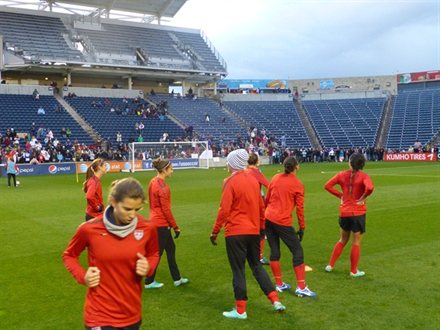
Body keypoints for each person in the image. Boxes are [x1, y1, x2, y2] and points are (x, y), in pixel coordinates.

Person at [63, 178, 160, 330]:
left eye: (137, 209)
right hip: (99, 316)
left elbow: (154, 253)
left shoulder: (147, 228)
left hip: (132, 314)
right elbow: (69, 255)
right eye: (127, 209)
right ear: (114, 202)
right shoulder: (89, 229)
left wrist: (149, 267)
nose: (132, 215)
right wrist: (83, 276)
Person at [210, 149, 286, 320]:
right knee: (257, 267)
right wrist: (261, 229)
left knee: (238, 270)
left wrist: (215, 231)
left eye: (228, 161)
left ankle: (240, 310)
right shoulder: (253, 180)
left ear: (233, 163)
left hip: (236, 232)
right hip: (253, 231)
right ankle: (276, 301)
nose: (227, 164)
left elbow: (224, 210)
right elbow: (261, 206)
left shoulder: (230, 182)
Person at [264, 156, 317, 297]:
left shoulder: (275, 178)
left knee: (275, 252)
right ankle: (301, 286)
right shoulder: (298, 184)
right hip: (282, 221)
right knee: (297, 252)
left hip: (268, 218)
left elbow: (267, 199)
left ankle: (279, 284)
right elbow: (300, 209)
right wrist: (302, 227)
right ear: (296, 167)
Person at [324, 153, 374, 277]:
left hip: (344, 212)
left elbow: (327, 186)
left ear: (350, 162)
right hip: (358, 212)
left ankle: (330, 265)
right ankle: (353, 271)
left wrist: (340, 195)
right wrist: (363, 197)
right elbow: (370, 188)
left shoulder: (341, 174)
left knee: (342, 239)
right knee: (356, 242)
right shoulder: (364, 176)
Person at [144, 158, 188, 289]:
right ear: (164, 170)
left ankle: (177, 278)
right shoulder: (162, 187)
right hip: (161, 224)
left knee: (170, 249)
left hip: (155, 220)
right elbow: (166, 210)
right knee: (157, 253)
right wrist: (175, 226)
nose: (172, 171)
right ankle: (149, 281)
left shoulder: (152, 182)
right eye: (171, 169)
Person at [245, 152, 270, 265]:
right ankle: (259, 256)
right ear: (257, 161)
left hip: (245, 201)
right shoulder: (256, 172)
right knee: (261, 228)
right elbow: (268, 185)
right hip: (257, 201)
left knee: (248, 226)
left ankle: (247, 252)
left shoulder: (244, 171)